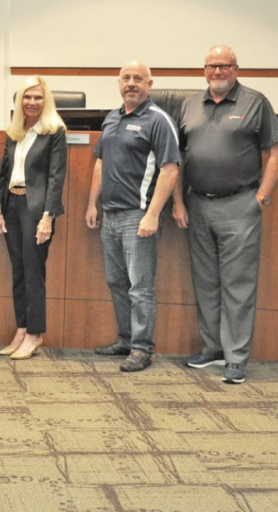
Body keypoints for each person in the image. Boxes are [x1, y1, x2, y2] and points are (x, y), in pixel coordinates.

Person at [172, 45, 278, 385]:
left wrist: (261, 196)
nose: (217, 71)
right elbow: (177, 157)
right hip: (198, 205)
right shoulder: (189, 105)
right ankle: (212, 349)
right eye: (211, 66)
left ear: (236, 68)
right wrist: (178, 202)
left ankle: (236, 357)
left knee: (238, 285)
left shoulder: (255, 102)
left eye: (224, 66)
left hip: (240, 205)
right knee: (205, 282)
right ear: (204, 70)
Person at [85, 61, 180, 372]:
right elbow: (99, 163)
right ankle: (125, 339)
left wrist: (152, 215)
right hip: (110, 215)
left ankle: (142, 348)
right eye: (126, 78)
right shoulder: (112, 118)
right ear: (119, 83)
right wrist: (91, 204)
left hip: (138, 215)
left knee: (140, 286)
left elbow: (170, 170)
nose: (131, 83)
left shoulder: (159, 120)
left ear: (149, 84)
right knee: (116, 281)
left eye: (138, 79)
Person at [0, 76, 67, 360]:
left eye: (37, 97)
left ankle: (35, 334)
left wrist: (48, 217)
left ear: (45, 100)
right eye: (27, 97)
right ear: (19, 101)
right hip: (12, 206)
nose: (32, 102)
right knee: (19, 272)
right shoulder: (15, 131)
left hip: (37, 211)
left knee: (34, 273)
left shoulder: (54, 131)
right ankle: (21, 329)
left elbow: (56, 177)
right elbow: (4, 173)